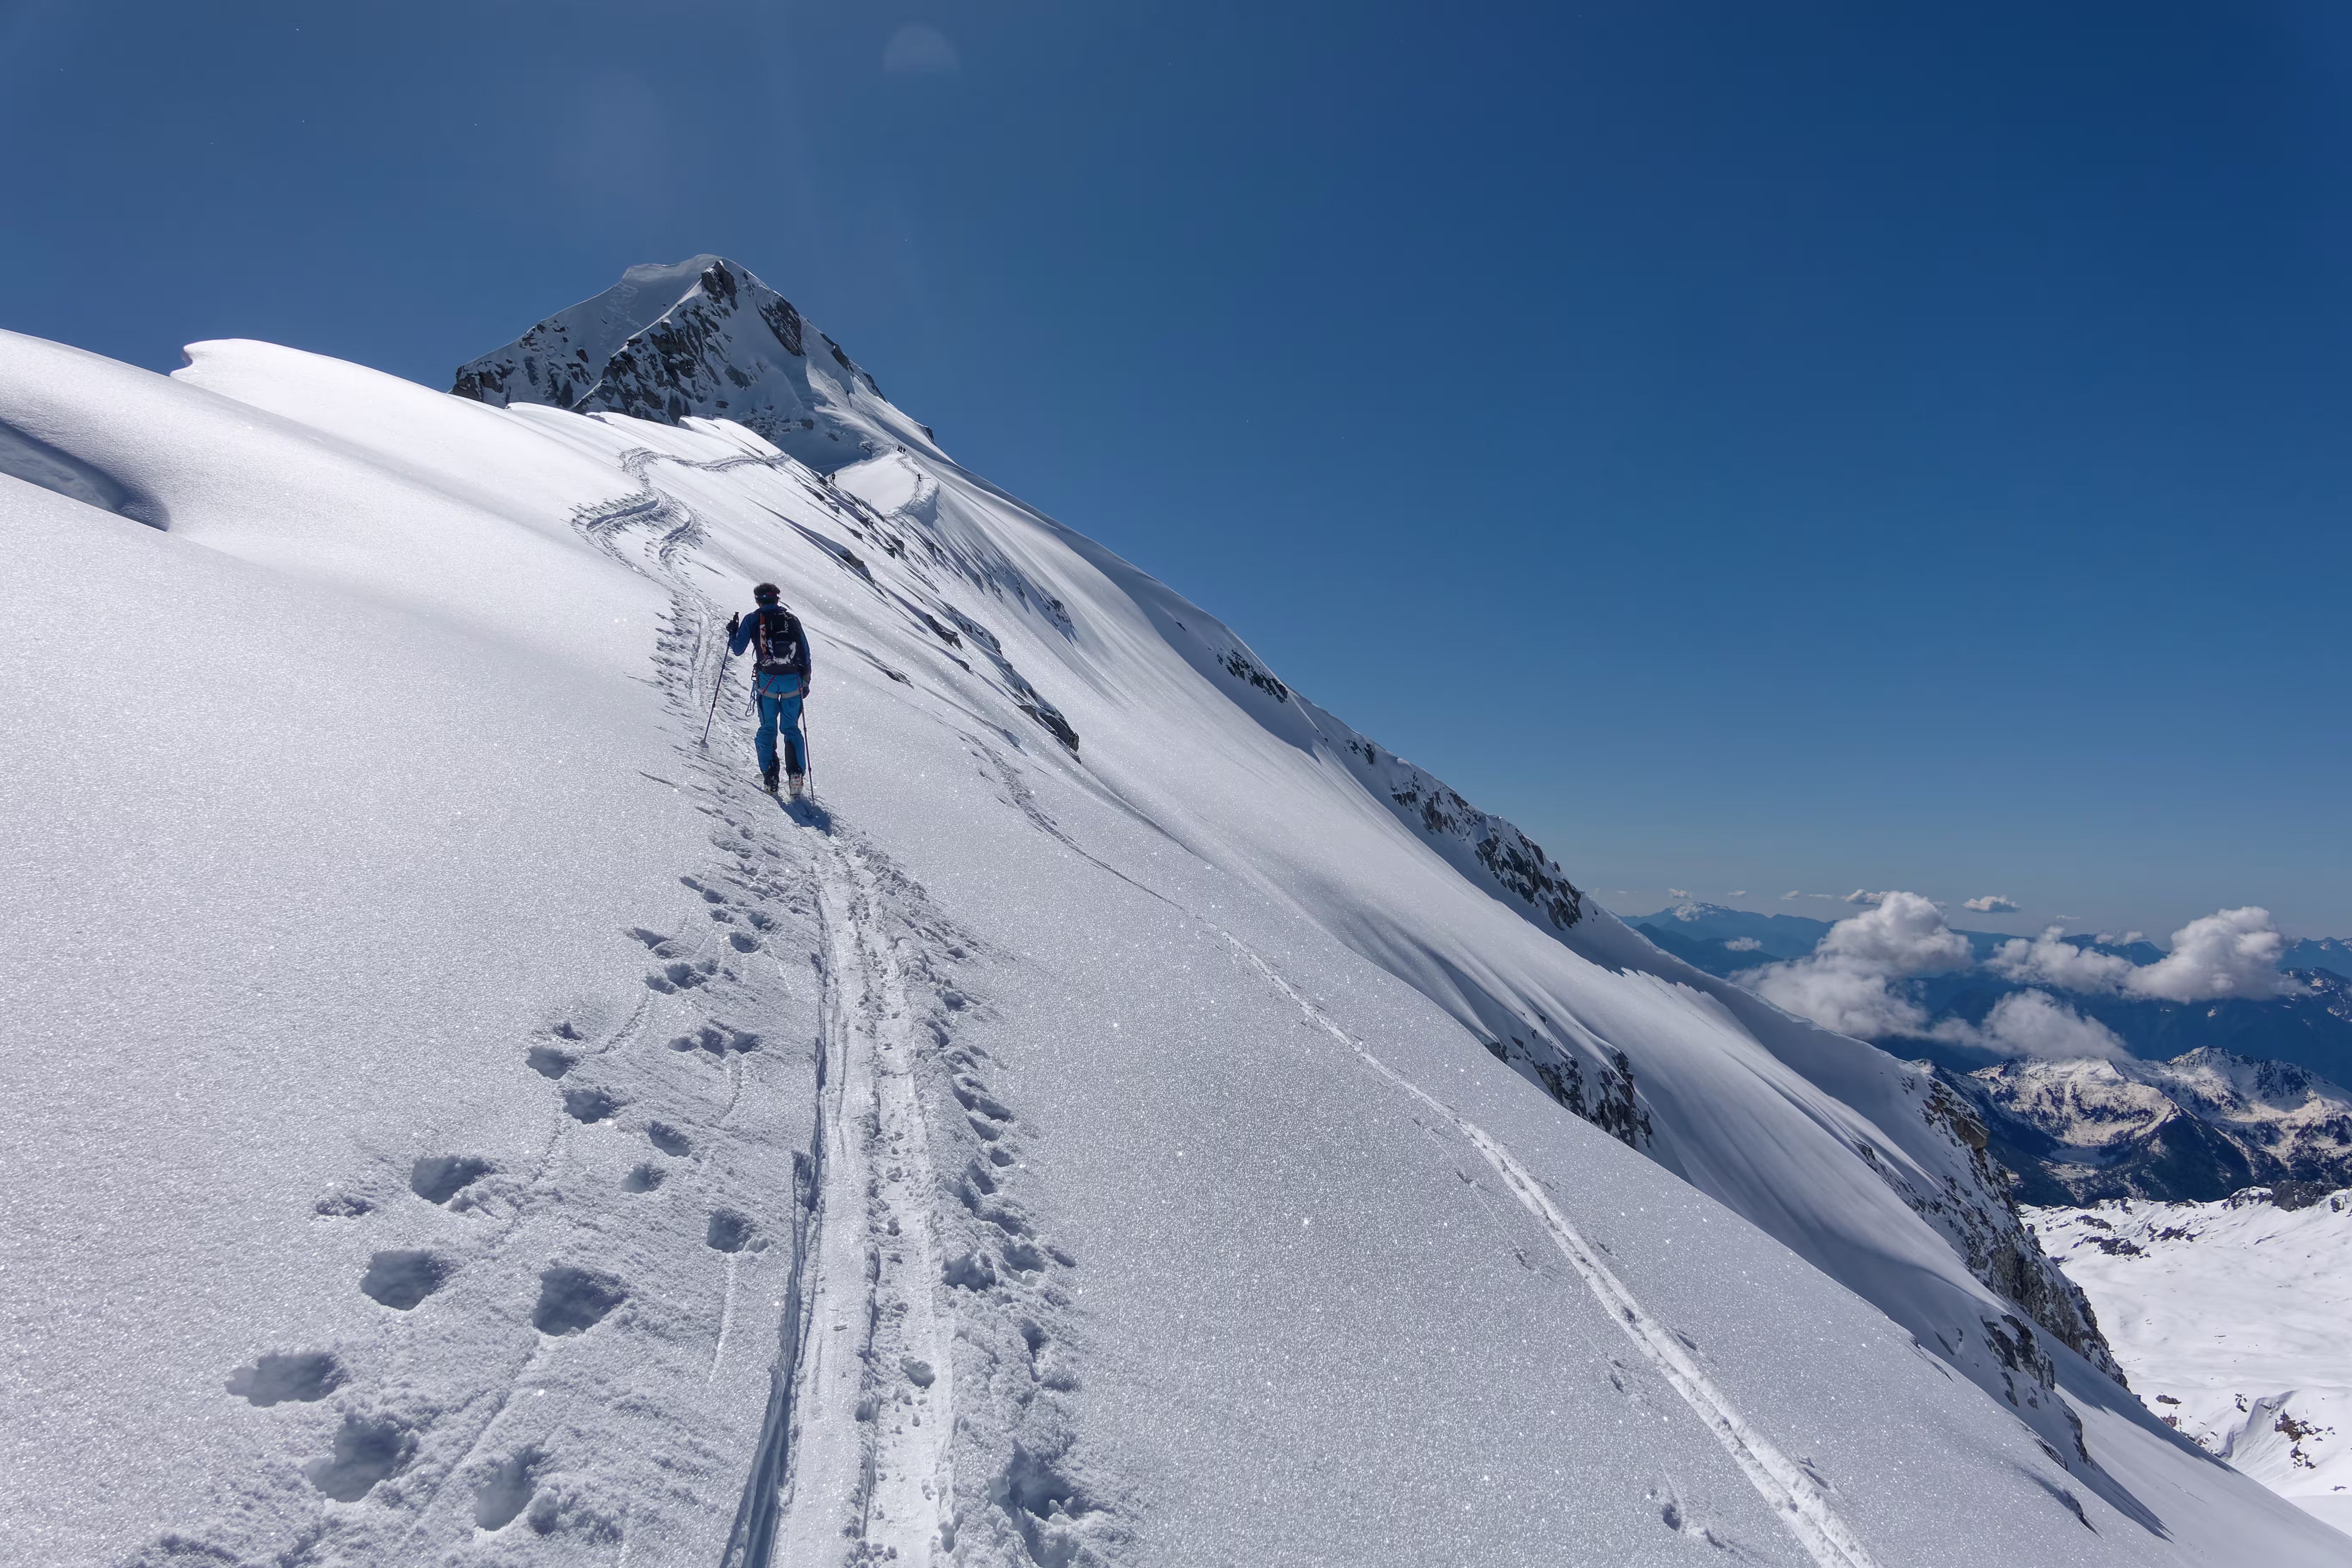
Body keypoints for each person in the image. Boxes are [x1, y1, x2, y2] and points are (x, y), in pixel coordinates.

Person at [726, 584, 812, 795]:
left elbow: (738, 650)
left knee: (768, 728)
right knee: (791, 728)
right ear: (778, 599)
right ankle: (796, 775)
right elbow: (806, 652)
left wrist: (732, 634)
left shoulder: (753, 619)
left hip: (768, 680)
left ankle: (771, 775)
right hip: (793, 680)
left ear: (758, 600)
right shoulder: (791, 619)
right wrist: (806, 683)